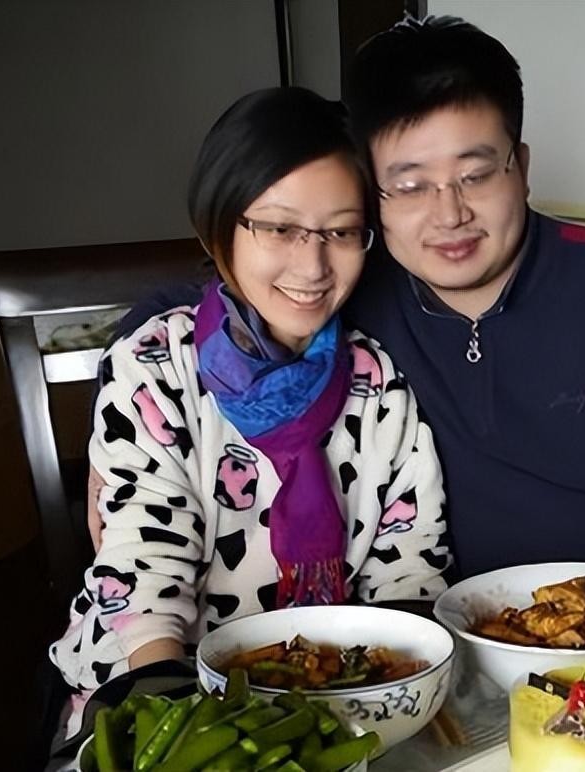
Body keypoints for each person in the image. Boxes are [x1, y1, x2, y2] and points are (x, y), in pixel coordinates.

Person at [94, 15, 585, 620]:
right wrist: (125, 383)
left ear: (521, 166)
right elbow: (210, 297)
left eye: (476, 174)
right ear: (372, 197)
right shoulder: (355, 286)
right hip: (460, 649)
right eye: (409, 185)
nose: (449, 213)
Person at [50, 86, 451, 738]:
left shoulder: (379, 382)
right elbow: (145, 576)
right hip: (155, 687)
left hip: (335, 698)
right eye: (280, 227)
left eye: (341, 231)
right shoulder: (154, 367)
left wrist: (384, 703)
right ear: (218, 228)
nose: (313, 265)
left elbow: (409, 570)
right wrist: (189, 733)